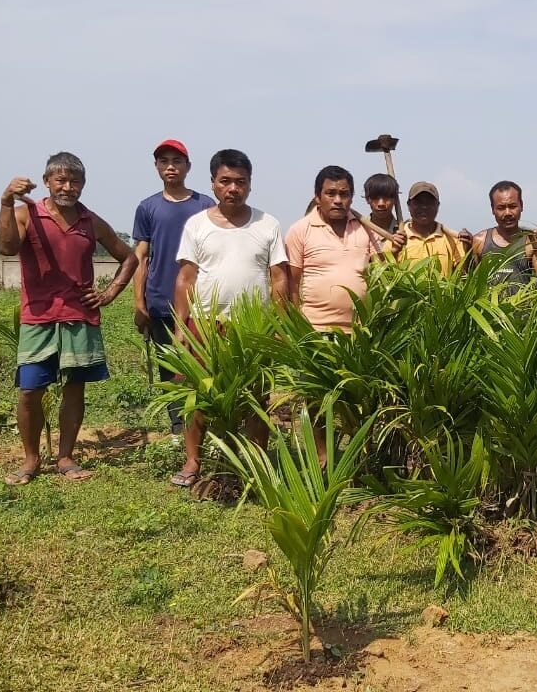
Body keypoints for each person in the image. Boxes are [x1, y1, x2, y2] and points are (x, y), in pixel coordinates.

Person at [0, 152, 138, 485]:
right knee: (30, 390)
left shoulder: (90, 221)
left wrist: (109, 293)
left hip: (79, 316)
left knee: (75, 389)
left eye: (75, 181)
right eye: (61, 180)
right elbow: (6, 248)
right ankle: (31, 459)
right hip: (38, 316)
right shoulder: (27, 214)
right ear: (47, 181)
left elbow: (129, 257)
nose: (68, 187)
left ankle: (65, 457)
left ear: (83, 185)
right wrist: (5, 202)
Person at [170, 149, 289, 487]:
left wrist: (278, 326)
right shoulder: (197, 225)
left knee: (255, 395)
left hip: (253, 327)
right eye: (225, 181)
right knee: (199, 393)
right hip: (206, 324)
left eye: (240, 182)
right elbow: (185, 279)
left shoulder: (267, 224)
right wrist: (181, 327)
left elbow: (279, 278)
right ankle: (193, 461)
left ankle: (256, 462)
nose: (233, 188)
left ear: (250, 184)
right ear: (213, 183)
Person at [131, 139, 216, 434]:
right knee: (169, 365)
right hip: (160, 301)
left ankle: (205, 420)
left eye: (177, 161)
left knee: (202, 362)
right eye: (164, 161)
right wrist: (139, 302)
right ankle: (179, 425)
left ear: (188, 167)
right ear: (156, 167)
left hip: (200, 302)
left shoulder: (205, 205)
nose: (171, 167)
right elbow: (141, 257)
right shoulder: (148, 208)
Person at [285, 165, 378, 332]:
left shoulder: (366, 229)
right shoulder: (300, 230)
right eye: (330, 193)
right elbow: (292, 282)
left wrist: (395, 248)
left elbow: (381, 268)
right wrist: (298, 326)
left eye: (344, 194)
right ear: (317, 197)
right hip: (316, 329)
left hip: (361, 332)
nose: (338, 200)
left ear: (351, 198)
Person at [470, 180, 537, 289]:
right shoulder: (480, 241)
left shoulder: (531, 241)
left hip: (522, 300)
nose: (507, 213)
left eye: (512, 206)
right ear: (493, 209)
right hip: (487, 300)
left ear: (521, 206)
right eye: (501, 208)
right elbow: (469, 282)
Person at [390, 182, 470, 273]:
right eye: (418, 202)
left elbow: (462, 275)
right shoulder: (396, 240)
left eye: (429, 202)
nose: (424, 207)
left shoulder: (453, 240)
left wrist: (468, 250)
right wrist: (394, 253)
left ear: (438, 205)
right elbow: (385, 275)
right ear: (409, 205)